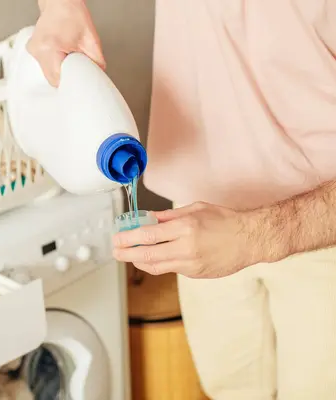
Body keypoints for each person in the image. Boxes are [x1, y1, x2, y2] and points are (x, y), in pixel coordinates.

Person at [29, 0, 336, 399]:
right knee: (230, 389)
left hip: (319, 234)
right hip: (199, 222)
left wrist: (254, 236)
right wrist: (60, 8)